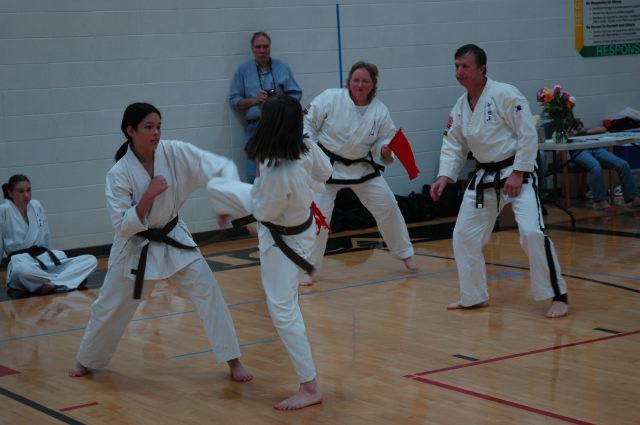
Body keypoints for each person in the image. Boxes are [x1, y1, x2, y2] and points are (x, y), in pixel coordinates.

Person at [69, 103, 252, 382]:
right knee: (109, 306)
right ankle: (86, 360)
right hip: (135, 246)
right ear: (131, 131)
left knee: (209, 292)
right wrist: (148, 196)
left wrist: (225, 201)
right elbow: (122, 225)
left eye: (158, 126)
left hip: (173, 236)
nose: (156, 132)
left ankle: (233, 361)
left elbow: (217, 167)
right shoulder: (119, 173)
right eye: (148, 127)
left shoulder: (174, 153)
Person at [429, 44, 568, 318]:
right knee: (464, 236)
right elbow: (453, 145)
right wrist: (444, 176)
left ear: (482, 69)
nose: (459, 72)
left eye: (465, 66)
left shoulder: (505, 94)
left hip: (516, 173)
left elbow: (527, 133)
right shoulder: (460, 107)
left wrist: (518, 172)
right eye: (456, 66)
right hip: (484, 177)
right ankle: (473, 296)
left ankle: (558, 294)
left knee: (531, 232)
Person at [240, 94, 331, 410]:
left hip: (284, 242)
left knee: (283, 310)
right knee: (286, 305)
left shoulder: (281, 172)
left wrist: (243, 216)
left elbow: (264, 213)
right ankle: (308, 383)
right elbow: (326, 172)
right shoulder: (304, 146)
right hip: (300, 229)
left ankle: (309, 386)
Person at [302, 61, 418, 285]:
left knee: (388, 204)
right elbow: (307, 123)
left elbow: (385, 140)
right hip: (327, 166)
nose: (360, 85)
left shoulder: (380, 111)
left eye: (365, 81)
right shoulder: (330, 98)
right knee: (319, 215)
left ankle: (405, 253)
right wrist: (311, 151)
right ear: (349, 81)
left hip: (361, 167)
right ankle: (308, 267)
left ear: (373, 84)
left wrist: (384, 150)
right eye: (356, 80)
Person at [1, 175, 98, 294]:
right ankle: (66, 280)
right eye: (21, 191)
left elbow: (46, 235)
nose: (26, 195)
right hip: (22, 262)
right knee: (21, 272)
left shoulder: (36, 206)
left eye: (28, 190)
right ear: (10, 192)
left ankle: (54, 283)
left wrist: (52, 258)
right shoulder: (3, 211)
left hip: (44, 258)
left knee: (90, 260)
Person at [229, 31, 302, 183]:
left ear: (270, 47)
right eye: (258, 47)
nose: (262, 50)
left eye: (265, 46)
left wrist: (278, 101)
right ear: (252, 49)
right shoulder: (243, 71)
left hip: (281, 127)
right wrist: (255, 100)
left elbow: (296, 94)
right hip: (256, 128)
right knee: (254, 175)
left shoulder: (282, 67)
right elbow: (234, 100)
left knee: (283, 172)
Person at [567, 119, 640, 212]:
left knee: (623, 164)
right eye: (575, 129)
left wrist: (584, 131)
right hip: (579, 151)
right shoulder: (563, 132)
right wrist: (569, 135)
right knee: (596, 167)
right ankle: (601, 201)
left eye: (579, 127)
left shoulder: (586, 132)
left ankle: (634, 197)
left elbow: (603, 129)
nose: (578, 130)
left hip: (596, 149)